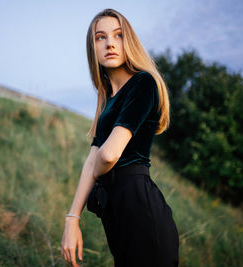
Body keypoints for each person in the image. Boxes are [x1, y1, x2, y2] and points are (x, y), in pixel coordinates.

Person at [61, 8, 179, 267]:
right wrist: (72, 218)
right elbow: (92, 158)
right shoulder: (107, 101)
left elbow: (107, 154)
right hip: (118, 212)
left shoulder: (143, 83)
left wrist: (100, 167)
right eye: (100, 37)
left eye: (118, 35)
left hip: (140, 206)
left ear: (129, 42)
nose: (110, 43)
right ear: (92, 48)